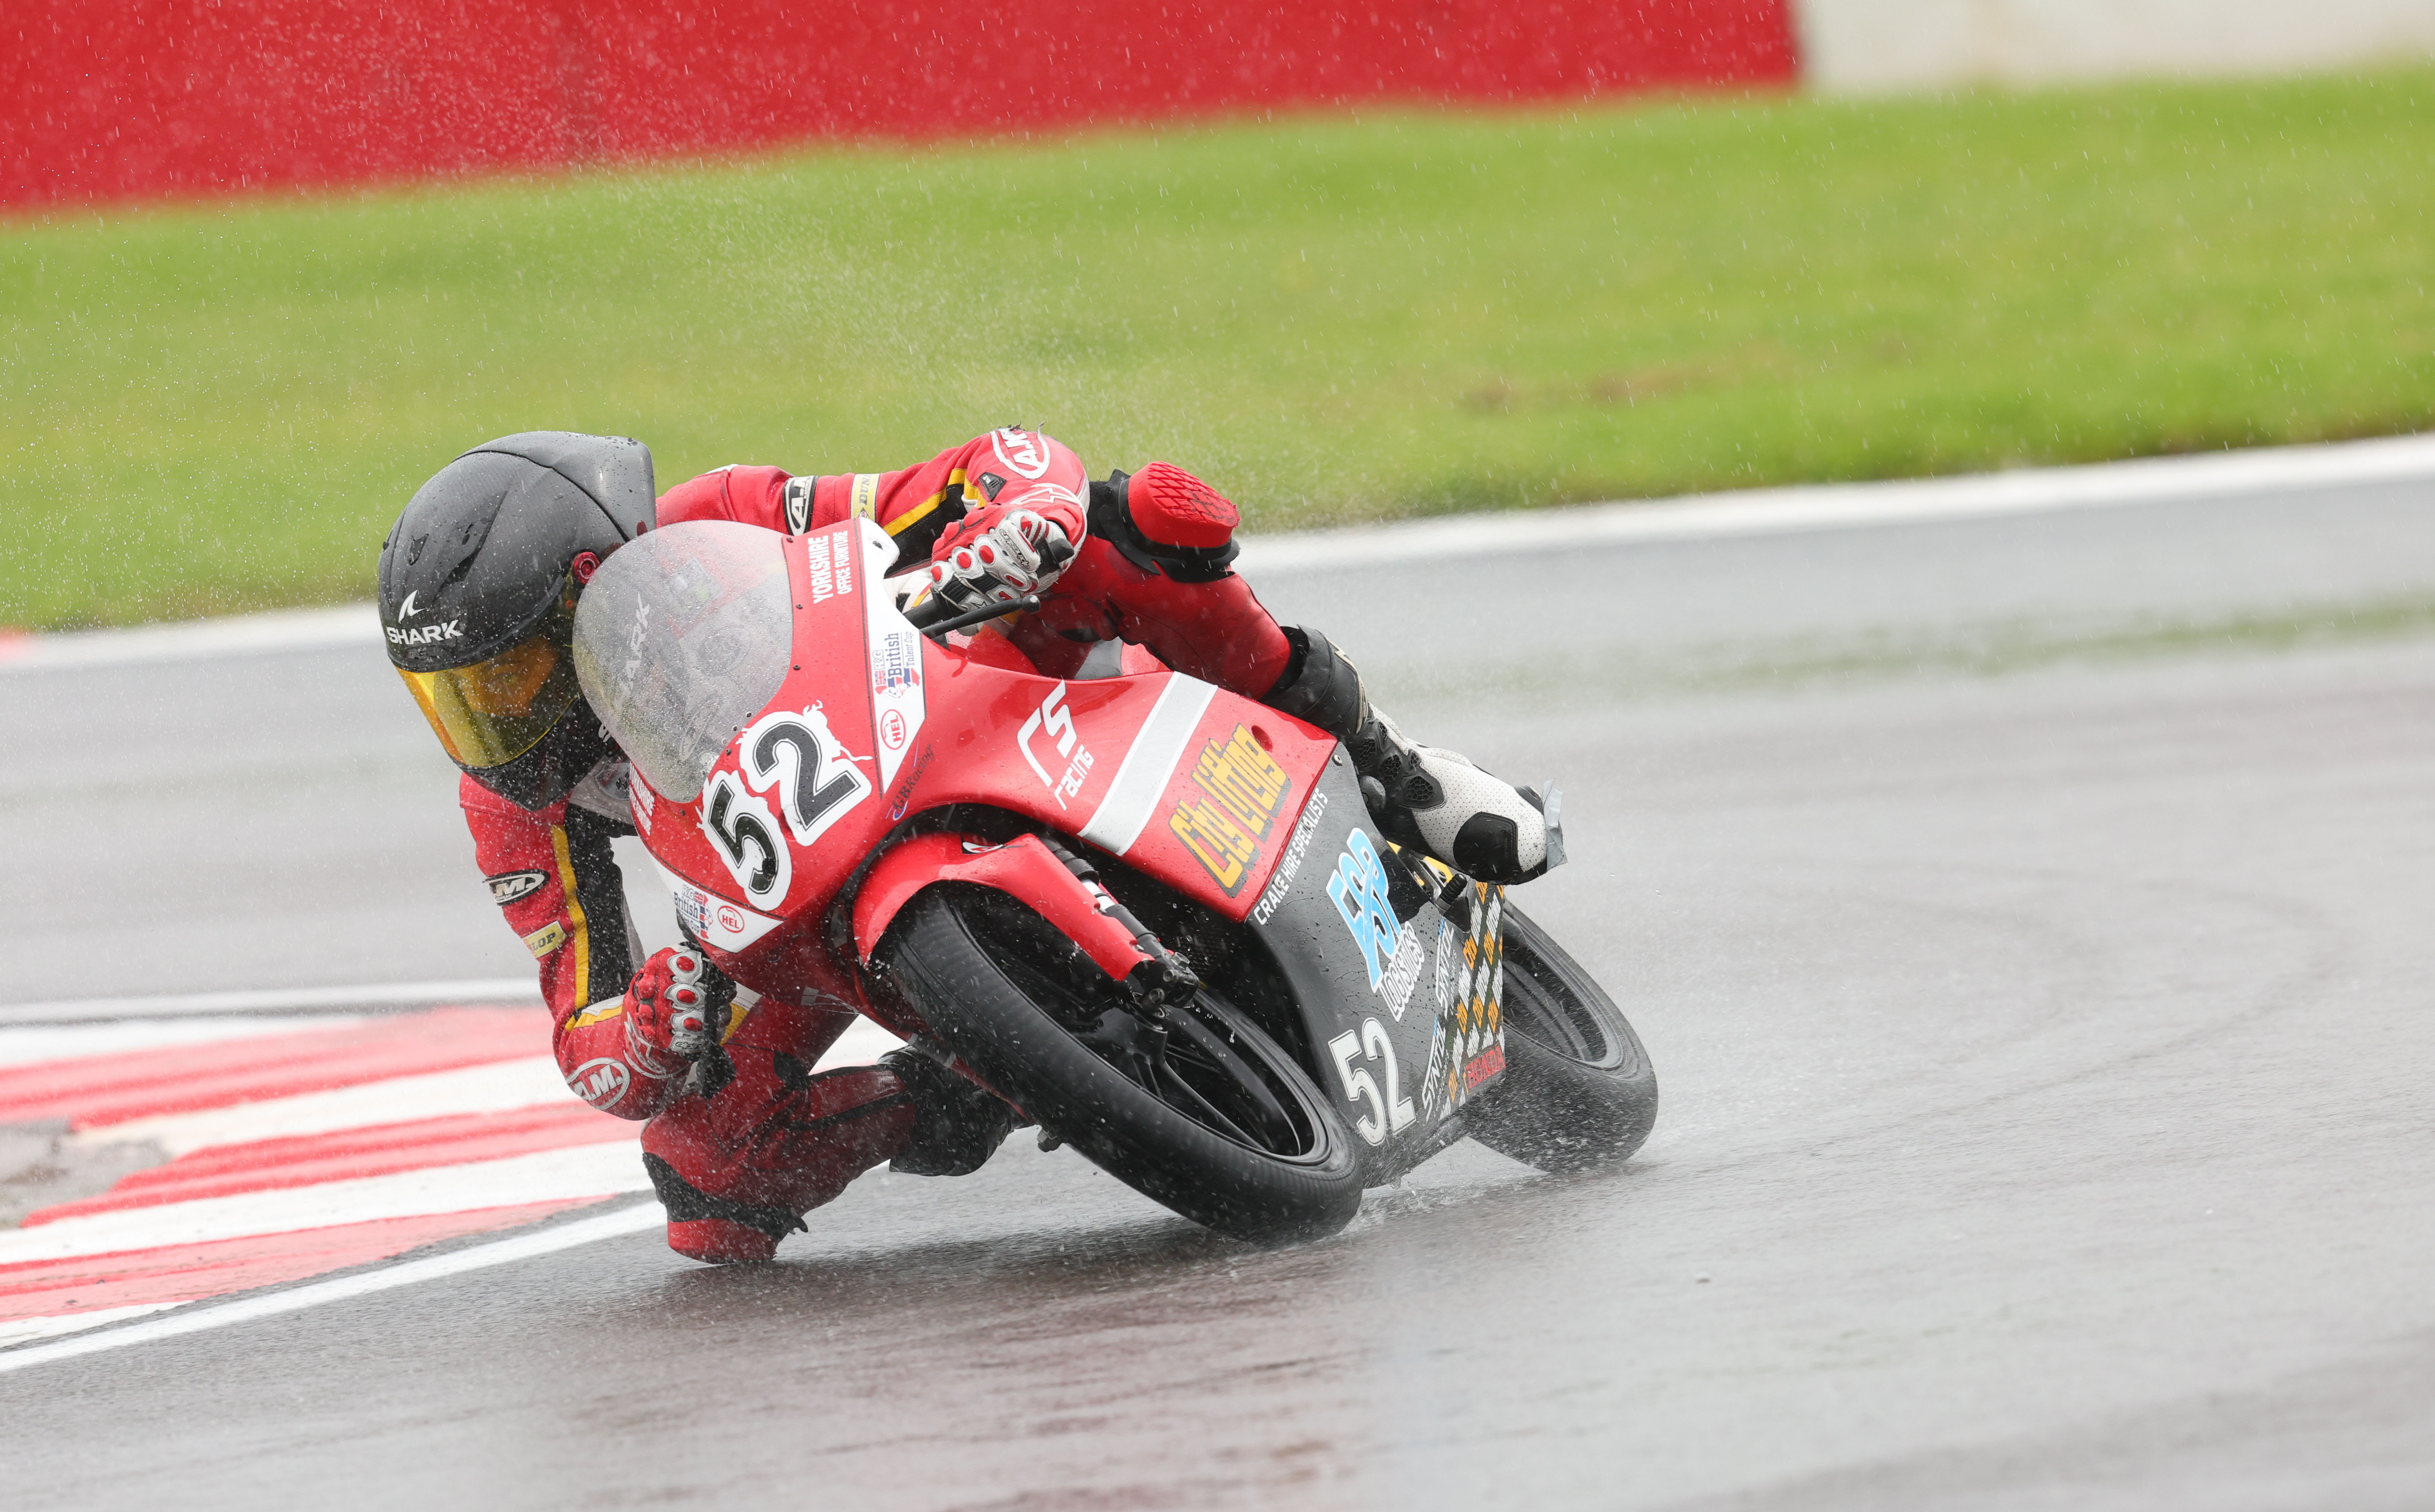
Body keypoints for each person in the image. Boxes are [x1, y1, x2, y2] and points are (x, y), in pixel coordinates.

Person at [379, 428, 1556, 1263]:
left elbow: (968, 474)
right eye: (458, 701)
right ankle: (955, 1083)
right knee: (704, 1181)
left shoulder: (721, 515)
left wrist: (1017, 525)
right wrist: (646, 1027)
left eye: (514, 675)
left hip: (943, 709)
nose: (495, 726)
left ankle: (1401, 771)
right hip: (789, 898)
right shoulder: (510, 803)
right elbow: (586, 1040)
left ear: (594, 587)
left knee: (1129, 520)